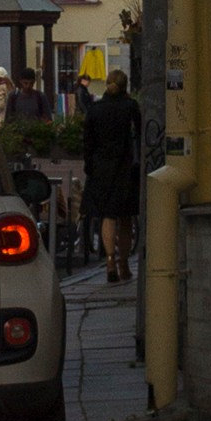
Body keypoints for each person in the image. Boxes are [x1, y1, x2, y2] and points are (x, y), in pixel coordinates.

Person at [82, 70, 143, 284]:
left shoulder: (95, 109)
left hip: (101, 169)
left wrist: (90, 167)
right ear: (125, 87)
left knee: (107, 216)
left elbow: (87, 143)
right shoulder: (130, 107)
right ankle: (123, 263)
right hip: (125, 168)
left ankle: (109, 262)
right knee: (125, 217)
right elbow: (141, 136)